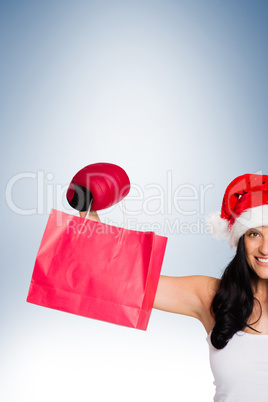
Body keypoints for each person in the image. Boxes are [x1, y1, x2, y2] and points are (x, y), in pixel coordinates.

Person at [82, 173, 268, 401]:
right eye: (254, 234)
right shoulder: (213, 296)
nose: (265, 249)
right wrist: (86, 205)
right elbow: (123, 280)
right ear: (241, 240)